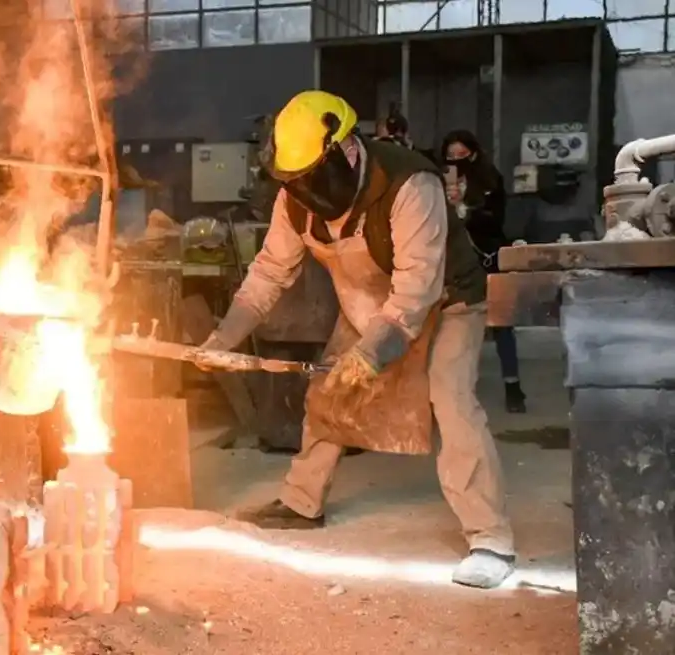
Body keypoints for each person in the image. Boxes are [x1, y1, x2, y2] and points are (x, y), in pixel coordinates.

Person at [202, 90, 515, 589]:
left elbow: (416, 290)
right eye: (296, 181)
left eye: (312, 177)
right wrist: (225, 335)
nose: (306, 190)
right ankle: (301, 503)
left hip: (445, 301)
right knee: (329, 394)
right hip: (366, 304)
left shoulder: (411, 183)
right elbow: (267, 274)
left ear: (347, 150)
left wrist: (372, 354)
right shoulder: (296, 199)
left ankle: (490, 537)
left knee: (450, 401)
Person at [441, 129, 526, 414]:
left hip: (488, 257)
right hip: (455, 261)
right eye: (450, 156)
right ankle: (459, 388)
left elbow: (496, 219)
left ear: (473, 154)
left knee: (501, 323)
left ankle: (513, 386)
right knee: (458, 324)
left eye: (461, 155)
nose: (455, 160)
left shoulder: (489, 180)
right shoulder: (440, 180)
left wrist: (466, 210)